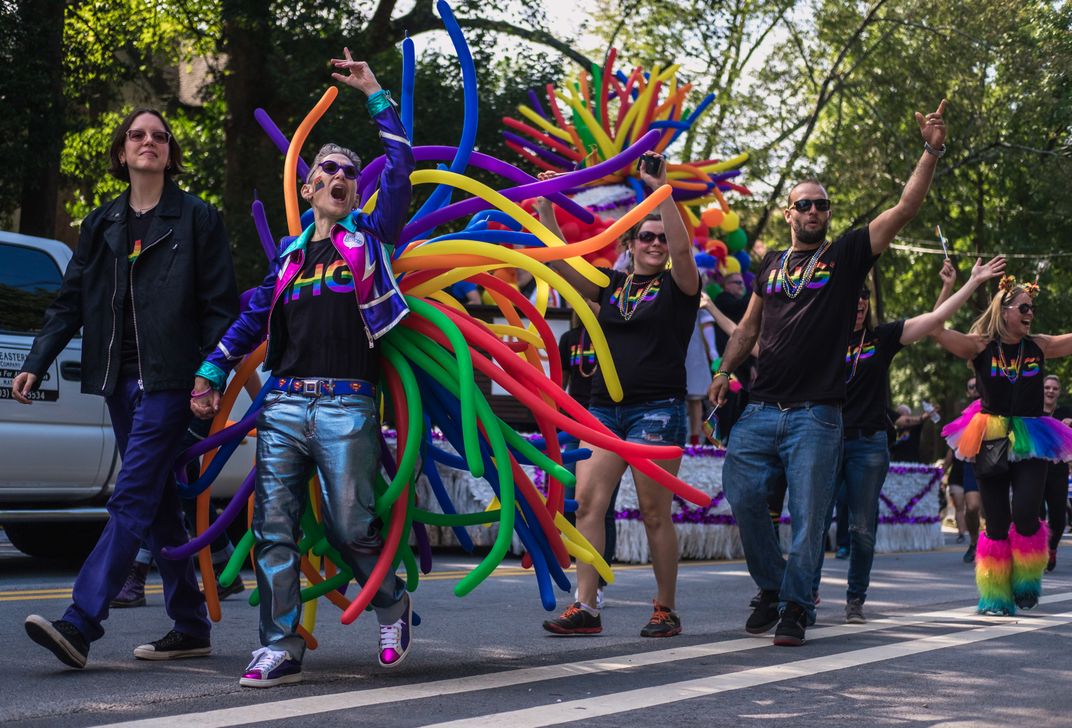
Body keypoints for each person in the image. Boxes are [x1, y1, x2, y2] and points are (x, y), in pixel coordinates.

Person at [190, 53, 414, 687]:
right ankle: (280, 644)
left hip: (347, 405)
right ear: (310, 186)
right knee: (274, 529)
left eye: (347, 172)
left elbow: (402, 169)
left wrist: (373, 92)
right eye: (327, 169)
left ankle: (392, 602)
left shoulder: (372, 238)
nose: (338, 176)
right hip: (284, 404)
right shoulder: (288, 258)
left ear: (355, 189)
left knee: (352, 528)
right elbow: (248, 322)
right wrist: (210, 374)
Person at [709, 99, 950, 646]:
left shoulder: (844, 258)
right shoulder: (770, 267)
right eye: (805, 205)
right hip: (760, 410)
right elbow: (748, 329)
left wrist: (930, 151)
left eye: (822, 204)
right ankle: (773, 587)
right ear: (789, 214)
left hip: (817, 416)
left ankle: (796, 606)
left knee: (811, 517)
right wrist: (725, 371)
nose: (815, 211)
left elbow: (904, 209)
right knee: (744, 498)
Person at [14, 108, 238, 669]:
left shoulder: (197, 219)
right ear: (122, 152)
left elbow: (218, 308)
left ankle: (81, 621)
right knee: (160, 504)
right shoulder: (101, 223)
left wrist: (212, 374)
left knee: (132, 493)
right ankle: (190, 623)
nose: (148, 142)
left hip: (173, 381)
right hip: (118, 379)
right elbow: (70, 302)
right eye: (138, 135)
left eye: (159, 137)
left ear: (169, 153)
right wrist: (37, 361)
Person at [539, 151, 700, 637]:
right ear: (629, 243)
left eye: (661, 237)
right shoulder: (610, 286)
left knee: (654, 513)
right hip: (603, 411)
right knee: (588, 504)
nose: (655, 243)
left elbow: (686, 252)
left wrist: (661, 190)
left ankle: (665, 608)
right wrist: (547, 207)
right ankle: (585, 606)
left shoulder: (681, 285)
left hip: (657, 410)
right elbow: (564, 265)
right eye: (644, 236)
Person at [816, 257, 1005, 625]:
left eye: (863, 299)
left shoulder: (881, 338)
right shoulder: (821, 341)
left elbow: (933, 323)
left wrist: (961, 284)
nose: (858, 304)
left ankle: (855, 598)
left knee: (861, 527)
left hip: (869, 445)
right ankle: (804, 596)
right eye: (851, 298)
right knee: (817, 522)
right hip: (826, 440)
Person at [936, 275, 1072, 614]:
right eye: (1024, 307)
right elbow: (935, 329)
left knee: (1027, 513)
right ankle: (996, 596)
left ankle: (1026, 583)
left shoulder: (1038, 346)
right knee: (995, 521)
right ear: (1005, 310)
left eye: (1032, 308)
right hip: (990, 435)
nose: (1030, 313)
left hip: (1031, 438)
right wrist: (949, 287)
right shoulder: (981, 346)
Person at [943, 376, 983, 562]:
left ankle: (993, 546)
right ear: (968, 392)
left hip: (997, 462)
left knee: (993, 510)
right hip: (972, 465)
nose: (975, 389)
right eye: (971, 387)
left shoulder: (999, 405)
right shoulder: (964, 415)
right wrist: (943, 470)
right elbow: (952, 448)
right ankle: (974, 542)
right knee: (973, 507)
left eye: (978, 385)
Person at [1041, 375, 1072, 571]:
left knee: (1059, 517)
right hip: (1034, 468)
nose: (1050, 391)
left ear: (1059, 392)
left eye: (1054, 388)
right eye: (1047, 387)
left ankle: (1051, 548)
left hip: (1058, 470)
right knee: (1036, 515)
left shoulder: (1066, 412)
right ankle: (1038, 553)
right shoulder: (1032, 411)